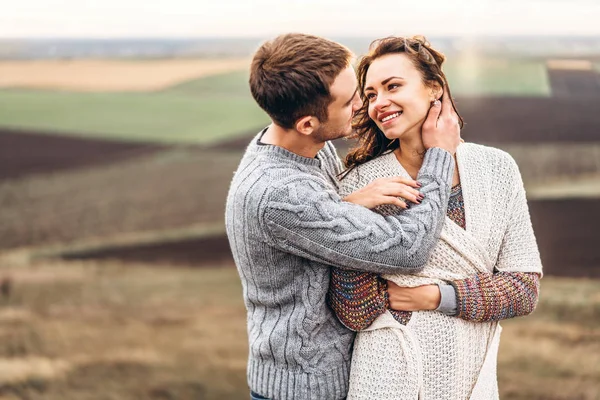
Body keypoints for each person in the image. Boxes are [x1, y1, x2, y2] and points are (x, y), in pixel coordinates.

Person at [225, 33, 461, 400]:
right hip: (306, 389)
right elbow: (409, 250)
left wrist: (343, 205)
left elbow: (313, 222)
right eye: (351, 100)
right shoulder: (278, 193)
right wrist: (440, 156)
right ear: (306, 123)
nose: (362, 105)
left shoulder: (300, 147)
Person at [328, 36, 543, 400]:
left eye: (393, 86)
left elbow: (523, 291)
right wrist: (352, 212)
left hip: (473, 375)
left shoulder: (497, 169)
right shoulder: (362, 183)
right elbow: (355, 309)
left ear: (433, 88)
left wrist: (432, 295)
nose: (380, 102)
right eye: (371, 95)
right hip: (388, 374)